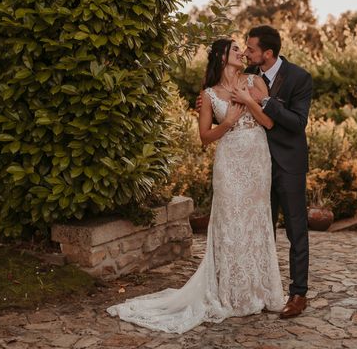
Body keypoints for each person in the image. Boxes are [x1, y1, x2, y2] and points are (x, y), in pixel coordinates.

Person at [106, 38, 285, 333]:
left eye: (243, 49)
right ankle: (231, 293)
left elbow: (269, 123)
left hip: (256, 160)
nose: (242, 53)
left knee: (256, 221)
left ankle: (260, 290)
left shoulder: (255, 81)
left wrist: (249, 100)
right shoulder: (209, 94)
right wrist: (226, 122)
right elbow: (204, 137)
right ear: (222, 57)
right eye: (236, 49)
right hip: (229, 163)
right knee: (230, 223)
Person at [237, 24, 313, 319]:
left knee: (296, 230)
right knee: (261, 229)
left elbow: (297, 123)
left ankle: (298, 294)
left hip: (289, 165)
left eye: (251, 49)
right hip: (257, 165)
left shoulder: (299, 77)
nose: (246, 53)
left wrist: (266, 101)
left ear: (267, 53)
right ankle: (261, 289)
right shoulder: (248, 78)